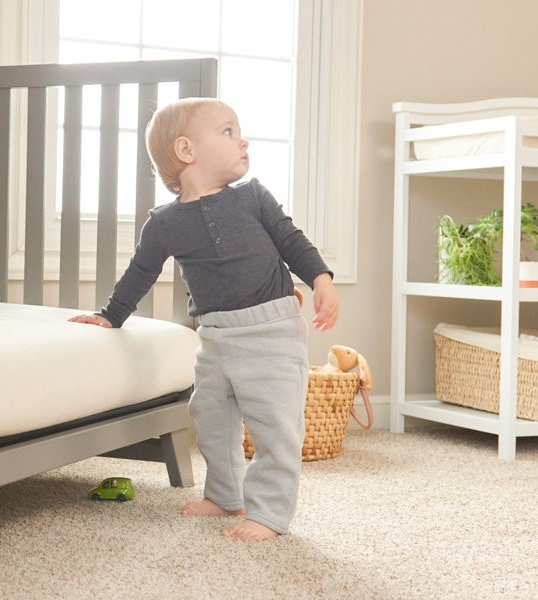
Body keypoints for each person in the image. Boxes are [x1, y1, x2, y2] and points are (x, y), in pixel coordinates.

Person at [68, 97, 339, 541]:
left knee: (275, 426)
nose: (242, 139)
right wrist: (110, 315)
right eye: (228, 131)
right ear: (187, 151)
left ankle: (269, 513)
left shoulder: (254, 197)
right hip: (214, 337)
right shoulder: (165, 222)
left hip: (272, 330)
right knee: (211, 418)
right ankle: (225, 494)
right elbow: (141, 271)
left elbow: (292, 240)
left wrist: (321, 279)